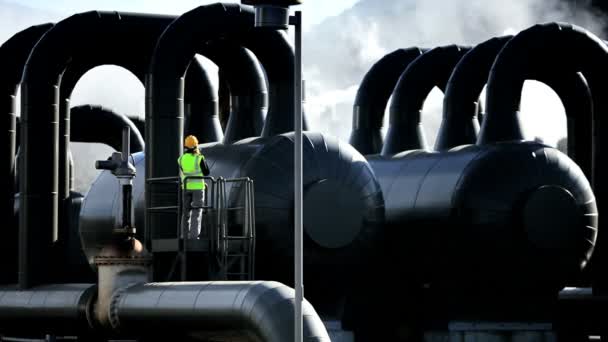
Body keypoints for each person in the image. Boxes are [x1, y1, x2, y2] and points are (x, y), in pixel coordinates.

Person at [178, 135, 210, 239]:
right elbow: (206, 172)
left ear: (186, 146)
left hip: (186, 188)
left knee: (185, 212)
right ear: (196, 146)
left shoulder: (181, 159)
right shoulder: (199, 158)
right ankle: (194, 236)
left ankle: (184, 236)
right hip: (198, 188)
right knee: (197, 212)